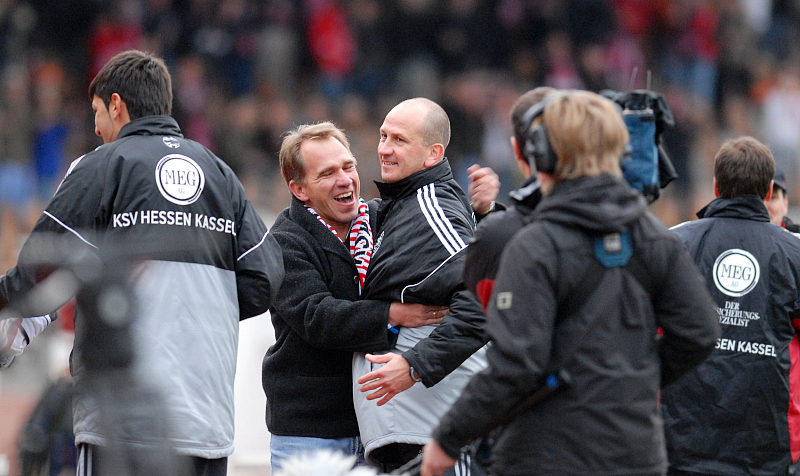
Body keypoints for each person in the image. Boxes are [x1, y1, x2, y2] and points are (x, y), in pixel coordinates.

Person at [0, 50, 284, 476]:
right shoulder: (221, 174)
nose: (96, 127)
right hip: (205, 420)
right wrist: (199, 306)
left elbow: (38, 272)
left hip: (119, 424)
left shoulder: (101, 165)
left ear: (116, 105)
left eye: (97, 112)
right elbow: (266, 278)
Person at [421, 91, 720, 476]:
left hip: (544, 456)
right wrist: (631, 379)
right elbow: (699, 332)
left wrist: (447, 437)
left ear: (543, 155)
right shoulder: (656, 238)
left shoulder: (534, 246)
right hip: (635, 454)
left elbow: (515, 366)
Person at [263, 121, 447, 472]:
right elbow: (318, 317)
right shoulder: (285, 240)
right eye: (327, 174)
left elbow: (443, 246)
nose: (345, 180)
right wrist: (392, 314)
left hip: (382, 428)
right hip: (311, 432)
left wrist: (482, 211)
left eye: (348, 167)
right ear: (299, 189)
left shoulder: (384, 219)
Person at [352, 97, 489, 473]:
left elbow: (482, 301)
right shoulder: (404, 204)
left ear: (433, 154)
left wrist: (414, 366)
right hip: (410, 434)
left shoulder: (432, 208)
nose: (384, 149)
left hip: (431, 437)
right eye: (383, 136)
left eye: (399, 140)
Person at [661, 136, 800, 476]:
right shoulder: (794, 255)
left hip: (681, 444)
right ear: (768, 191)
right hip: (769, 450)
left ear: (716, 186)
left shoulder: (674, 244)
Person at [462, 86, 557, 309]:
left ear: (516, 149)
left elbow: (472, 310)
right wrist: (485, 212)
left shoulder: (498, 234)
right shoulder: (623, 218)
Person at [765, 165, 800, 232]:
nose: (764, 206)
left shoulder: (796, 237)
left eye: (772, 197)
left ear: (785, 203)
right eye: (759, 197)